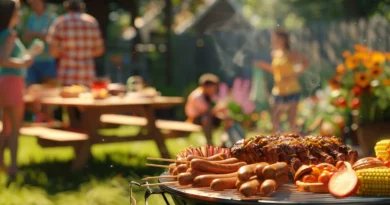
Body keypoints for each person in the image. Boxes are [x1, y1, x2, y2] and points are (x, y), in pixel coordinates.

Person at [0, 0, 39, 176]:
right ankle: (14, 168)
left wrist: (27, 55)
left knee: (5, 126)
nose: (21, 14)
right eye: (18, 11)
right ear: (11, 14)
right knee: (15, 128)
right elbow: (3, 58)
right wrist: (24, 62)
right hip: (12, 82)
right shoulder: (10, 34)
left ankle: (2, 164)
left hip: (3, 81)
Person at [256, 29, 310, 133]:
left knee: (291, 122)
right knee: (275, 122)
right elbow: (277, 71)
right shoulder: (274, 53)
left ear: (283, 39)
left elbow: (306, 62)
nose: (274, 39)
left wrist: (295, 74)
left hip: (292, 90)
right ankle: (274, 146)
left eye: (276, 37)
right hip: (278, 91)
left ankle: (296, 146)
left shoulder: (290, 54)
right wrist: (264, 66)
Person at [46, 0, 104, 86]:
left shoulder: (59, 22)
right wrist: (85, 54)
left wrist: (65, 53)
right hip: (87, 75)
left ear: (66, 7)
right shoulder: (92, 22)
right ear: (82, 7)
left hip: (66, 75)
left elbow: (53, 51)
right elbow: (100, 50)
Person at [185, 74, 236, 146]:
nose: (213, 90)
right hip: (196, 119)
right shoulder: (197, 96)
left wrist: (225, 115)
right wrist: (218, 109)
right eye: (212, 88)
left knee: (226, 119)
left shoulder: (209, 95)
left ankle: (225, 143)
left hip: (208, 117)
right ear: (204, 87)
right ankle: (209, 143)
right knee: (206, 118)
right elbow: (207, 111)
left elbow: (218, 105)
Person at [24, 0, 56, 86]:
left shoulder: (52, 18)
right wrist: (40, 34)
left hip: (48, 59)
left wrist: (34, 34)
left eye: (36, 2)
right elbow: (26, 37)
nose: (34, 5)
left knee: (49, 88)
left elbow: (52, 38)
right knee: (31, 88)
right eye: (33, 3)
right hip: (33, 60)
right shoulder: (31, 18)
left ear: (43, 3)